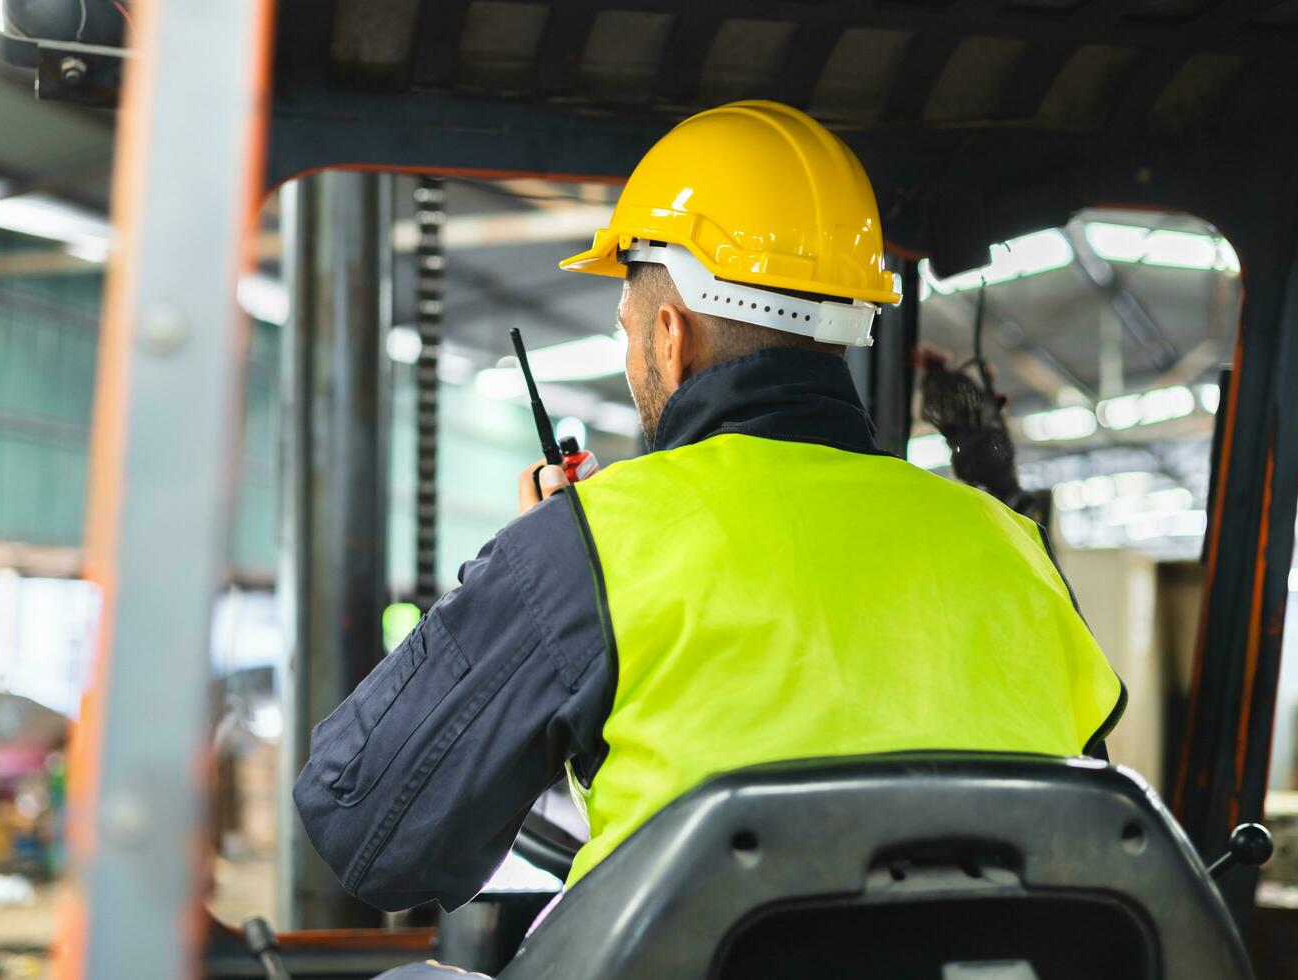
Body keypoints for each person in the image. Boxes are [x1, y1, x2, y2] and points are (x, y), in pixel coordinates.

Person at [295, 101, 1123, 929]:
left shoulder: (592, 546)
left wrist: (538, 572)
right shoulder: (1014, 548)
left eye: (626, 333)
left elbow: (362, 824)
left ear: (667, 335)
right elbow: (1094, 831)